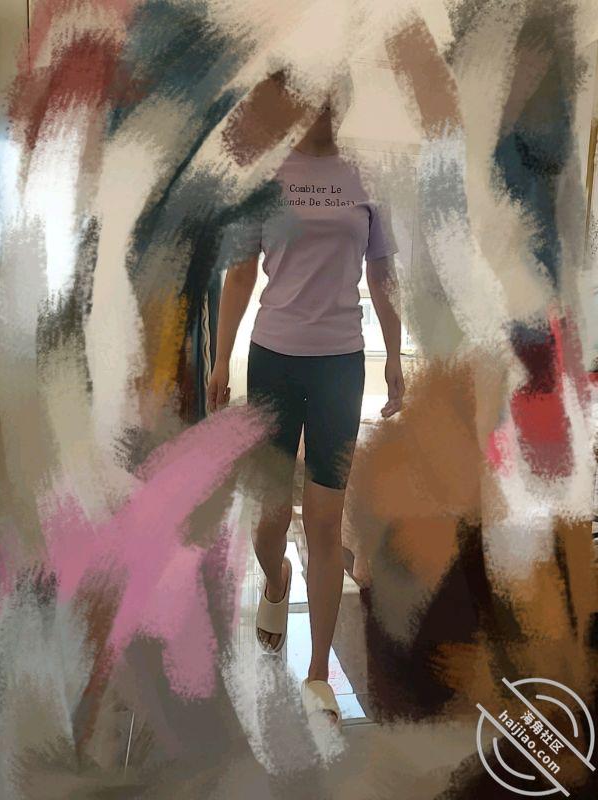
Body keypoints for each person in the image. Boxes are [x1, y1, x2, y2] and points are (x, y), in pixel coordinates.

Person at [207, 68, 404, 728]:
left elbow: (383, 277)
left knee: (323, 521)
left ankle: (318, 672)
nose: (316, 102)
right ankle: (275, 578)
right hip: (273, 362)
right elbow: (240, 275)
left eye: (325, 90)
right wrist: (220, 359)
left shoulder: (367, 180)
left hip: (339, 367)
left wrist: (395, 358)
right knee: (269, 519)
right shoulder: (261, 180)